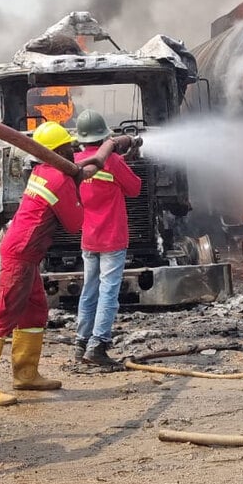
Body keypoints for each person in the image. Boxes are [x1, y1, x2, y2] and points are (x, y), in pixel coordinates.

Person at [0, 122, 130, 405]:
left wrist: (89, 169)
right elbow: (74, 223)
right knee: (5, 314)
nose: (76, 149)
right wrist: (80, 188)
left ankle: (26, 374)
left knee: (34, 312)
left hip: (27, 254)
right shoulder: (58, 180)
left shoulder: (44, 171)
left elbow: (82, 171)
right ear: (61, 150)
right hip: (21, 254)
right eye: (70, 146)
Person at [73, 109, 142, 367]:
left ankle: (80, 343)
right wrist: (125, 161)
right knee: (108, 292)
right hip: (112, 238)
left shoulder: (76, 162)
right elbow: (134, 188)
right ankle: (98, 345)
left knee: (89, 291)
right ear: (104, 136)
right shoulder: (112, 162)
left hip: (88, 238)